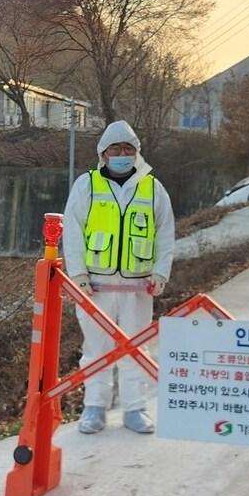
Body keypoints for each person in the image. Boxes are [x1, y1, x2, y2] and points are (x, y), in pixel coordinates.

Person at [61, 120, 175, 435]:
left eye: (128, 148)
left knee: (135, 347)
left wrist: (161, 272)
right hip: (96, 285)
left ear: (137, 153)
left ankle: (135, 408)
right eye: (116, 148)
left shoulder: (153, 188)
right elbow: (73, 231)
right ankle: (94, 407)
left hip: (139, 286)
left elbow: (165, 233)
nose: (122, 154)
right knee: (96, 347)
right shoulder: (87, 185)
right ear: (103, 153)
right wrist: (78, 275)